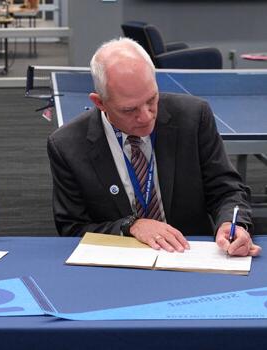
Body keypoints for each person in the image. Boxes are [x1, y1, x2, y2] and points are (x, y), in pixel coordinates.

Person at [47, 37, 261, 257]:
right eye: (129, 110)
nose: (146, 116)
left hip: (190, 255)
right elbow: (72, 229)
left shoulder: (194, 117)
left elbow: (227, 189)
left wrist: (232, 224)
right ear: (100, 102)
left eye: (152, 99)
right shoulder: (67, 145)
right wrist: (130, 226)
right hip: (118, 263)